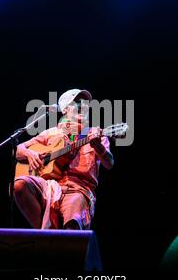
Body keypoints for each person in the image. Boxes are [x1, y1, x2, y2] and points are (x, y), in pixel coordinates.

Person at [14, 89, 114, 230]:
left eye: (85, 103)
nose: (83, 105)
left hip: (78, 189)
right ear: (65, 109)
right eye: (77, 102)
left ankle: (59, 242)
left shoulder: (95, 134)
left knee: (72, 222)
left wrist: (99, 147)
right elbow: (18, 150)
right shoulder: (51, 133)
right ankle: (43, 236)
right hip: (49, 186)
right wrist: (29, 154)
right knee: (20, 185)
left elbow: (109, 163)